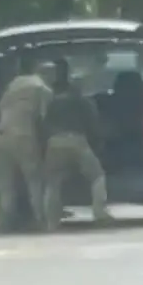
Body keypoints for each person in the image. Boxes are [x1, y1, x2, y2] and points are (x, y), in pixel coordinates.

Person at [41, 58, 114, 231]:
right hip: (76, 141)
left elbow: (44, 125)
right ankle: (99, 212)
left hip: (54, 142)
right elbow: (93, 127)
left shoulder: (52, 103)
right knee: (97, 176)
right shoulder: (82, 102)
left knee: (53, 182)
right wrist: (98, 145)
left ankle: (51, 221)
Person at [0, 54, 53, 232]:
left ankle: (5, 222)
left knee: (6, 181)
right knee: (34, 179)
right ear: (37, 68)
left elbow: (1, 108)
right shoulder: (41, 88)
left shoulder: (11, 86)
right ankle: (41, 219)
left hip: (3, 136)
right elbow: (45, 118)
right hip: (25, 136)